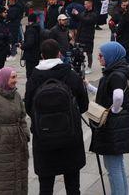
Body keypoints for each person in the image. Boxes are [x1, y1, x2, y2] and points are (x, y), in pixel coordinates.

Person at [25, 39, 89, 194]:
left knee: (46, 187)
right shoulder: (70, 74)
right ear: (59, 54)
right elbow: (84, 104)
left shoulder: (34, 77)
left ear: (42, 55)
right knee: (73, 187)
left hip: (44, 138)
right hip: (70, 137)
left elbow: (28, 108)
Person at [86, 42, 129, 195]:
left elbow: (118, 95)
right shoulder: (117, 71)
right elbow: (107, 91)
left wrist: (114, 110)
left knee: (113, 168)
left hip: (112, 128)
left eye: (102, 55)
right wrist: (90, 87)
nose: (99, 58)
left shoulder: (116, 75)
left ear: (111, 56)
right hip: (116, 127)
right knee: (117, 165)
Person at [0, 67, 30, 195]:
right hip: (1, 147)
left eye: (15, 77)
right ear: (3, 79)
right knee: (2, 182)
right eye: (12, 77)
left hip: (18, 144)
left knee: (18, 178)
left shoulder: (16, 95)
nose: (16, 80)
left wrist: (25, 135)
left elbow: (22, 118)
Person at [71, 0, 97, 73]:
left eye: (86, 4)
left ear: (90, 4)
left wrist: (77, 14)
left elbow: (86, 20)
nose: (84, 5)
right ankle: (82, 65)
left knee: (89, 52)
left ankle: (89, 67)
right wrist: (74, 15)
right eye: (84, 4)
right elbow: (80, 19)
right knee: (79, 51)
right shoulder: (83, 12)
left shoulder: (93, 14)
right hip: (80, 34)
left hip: (88, 35)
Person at [22, 14, 42, 79]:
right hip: (36, 54)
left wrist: (22, 46)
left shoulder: (31, 29)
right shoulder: (38, 28)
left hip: (30, 55)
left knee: (30, 74)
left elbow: (30, 43)